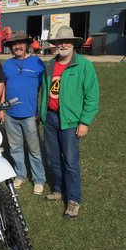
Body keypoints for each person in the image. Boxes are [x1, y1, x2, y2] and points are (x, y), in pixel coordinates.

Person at [40, 26, 99, 219]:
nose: (63, 44)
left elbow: (92, 96)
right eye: (60, 41)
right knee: (54, 159)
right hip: (50, 117)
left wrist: (85, 122)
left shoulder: (83, 65)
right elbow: (44, 91)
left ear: (73, 44)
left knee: (71, 162)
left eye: (67, 41)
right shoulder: (49, 65)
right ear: (55, 45)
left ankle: (73, 200)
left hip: (71, 121)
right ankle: (58, 189)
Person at [0, 30, 46, 195]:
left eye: (20, 43)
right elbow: (3, 86)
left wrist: (40, 110)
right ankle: (20, 174)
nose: (17, 46)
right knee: (15, 148)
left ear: (26, 45)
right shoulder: (7, 64)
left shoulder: (37, 63)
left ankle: (39, 179)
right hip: (11, 114)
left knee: (34, 149)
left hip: (30, 114)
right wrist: (2, 109)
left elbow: (43, 89)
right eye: (14, 44)